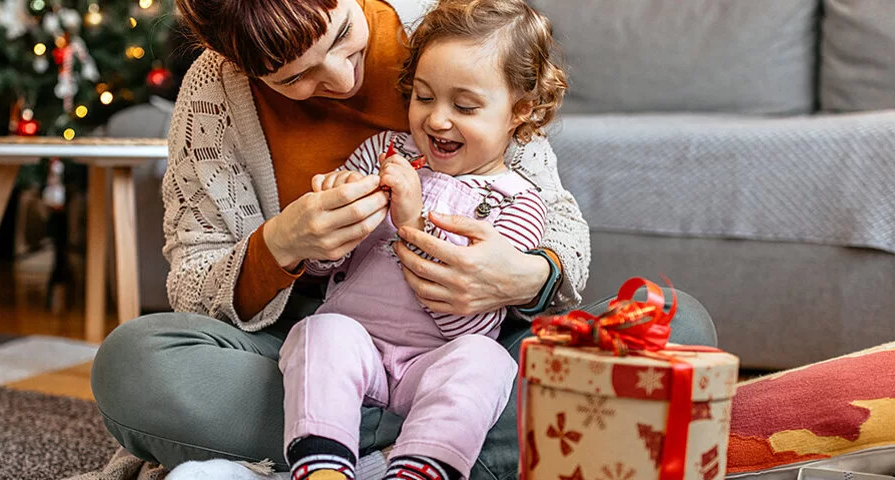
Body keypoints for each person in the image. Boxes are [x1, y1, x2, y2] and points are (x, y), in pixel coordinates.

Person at [91, 0, 718, 478]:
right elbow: (192, 280)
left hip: (474, 345)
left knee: (673, 326)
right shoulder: (214, 96)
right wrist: (278, 245)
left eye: (342, 39)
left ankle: (339, 450)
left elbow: (556, 223)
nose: (338, 78)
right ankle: (435, 451)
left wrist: (525, 275)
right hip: (314, 346)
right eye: (293, 78)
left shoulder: (454, 34)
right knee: (133, 365)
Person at [277, 2, 573, 479]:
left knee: (486, 362)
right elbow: (322, 271)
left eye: (464, 106)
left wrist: (410, 221)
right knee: (318, 333)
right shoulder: (382, 151)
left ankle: (417, 467)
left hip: (436, 362)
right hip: (357, 351)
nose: (436, 120)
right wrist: (326, 229)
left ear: (520, 110)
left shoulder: (520, 204)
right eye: (423, 97)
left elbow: (472, 329)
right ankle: (324, 465)